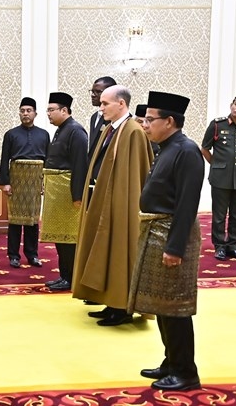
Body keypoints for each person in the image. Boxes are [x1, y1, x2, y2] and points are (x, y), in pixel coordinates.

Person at [128, 91, 203, 391]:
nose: (145, 124)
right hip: (157, 231)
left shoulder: (187, 151)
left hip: (174, 235)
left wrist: (175, 247)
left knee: (176, 306)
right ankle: (171, 361)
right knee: (161, 304)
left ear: (169, 121)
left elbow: (187, 204)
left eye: (150, 119)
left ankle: (186, 371)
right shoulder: (166, 147)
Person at [72, 85, 154, 326]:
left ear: (121, 104)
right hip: (102, 200)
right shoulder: (110, 129)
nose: (101, 107)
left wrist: (124, 208)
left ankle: (122, 307)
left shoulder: (133, 132)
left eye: (105, 103)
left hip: (121, 206)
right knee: (103, 249)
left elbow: (135, 177)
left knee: (118, 250)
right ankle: (110, 301)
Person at [40, 92, 88, 291]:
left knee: (69, 238)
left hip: (68, 194)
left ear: (64, 110)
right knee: (61, 237)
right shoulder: (61, 130)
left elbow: (80, 166)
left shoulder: (76, 131)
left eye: (51, 110)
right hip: (57, 192)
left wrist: (77, 196)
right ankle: (64, 275)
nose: (48, 114)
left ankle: (71, 277)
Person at [0, 97, 50, 268]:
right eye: (22, 111)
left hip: (36, 179)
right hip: (17, 179)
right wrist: (6, 182)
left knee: (33, 220)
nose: (25, 114)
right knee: (15, 221)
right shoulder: (11, 134)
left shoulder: (44, 134)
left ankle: (32, 255)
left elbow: (48, 160)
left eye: (29, 110)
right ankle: (13, 255)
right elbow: (5, 159)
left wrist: (46, 182)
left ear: (35, 113)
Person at [201, 92, 236, 260]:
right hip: (220, 178)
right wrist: (216, 165)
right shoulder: (217, 125)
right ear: (231, 105)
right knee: (219, 215)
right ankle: (220, 246)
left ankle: (232, 244)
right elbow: (205, 148)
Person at [88, 77, 117, 159]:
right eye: (92, 91)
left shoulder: (114, 117)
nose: (93, 95)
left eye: (97, 92)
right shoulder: (94, 117)